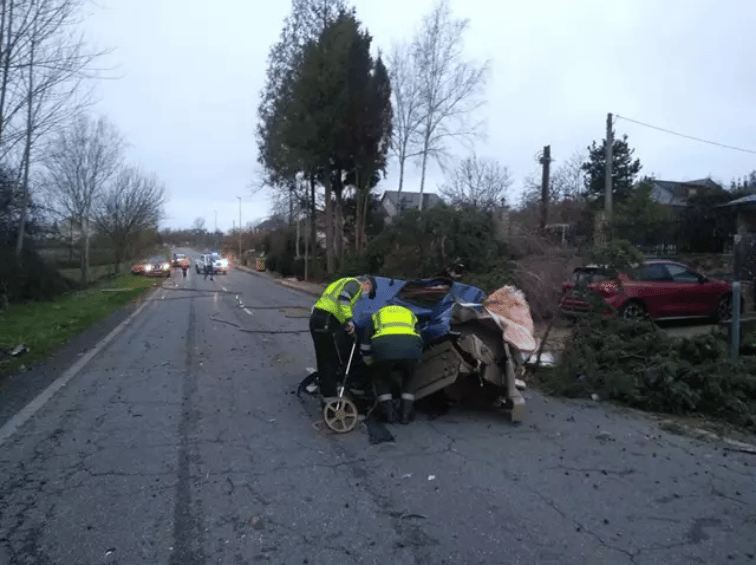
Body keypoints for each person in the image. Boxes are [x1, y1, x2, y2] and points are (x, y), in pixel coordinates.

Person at [309, 275, 376, 404]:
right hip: (327, 320)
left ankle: (326, 393)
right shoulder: (355, 284)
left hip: (318, 318)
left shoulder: (342, 282)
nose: (366, 294)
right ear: (367, 283)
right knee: (329, 359)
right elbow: (344, 299)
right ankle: (331, 397)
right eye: (369, 290)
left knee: (324, 358)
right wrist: (348, 321)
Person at [360, 304, 423, 424]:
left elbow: (365, 344)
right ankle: (405, 416)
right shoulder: (410, 313)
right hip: (410, 349)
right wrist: (416, 359)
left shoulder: (377, 315)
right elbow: (419, 337)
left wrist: (369, 362)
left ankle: (389, 415)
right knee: (409, 379)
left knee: (381, 379)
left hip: (384, 349)